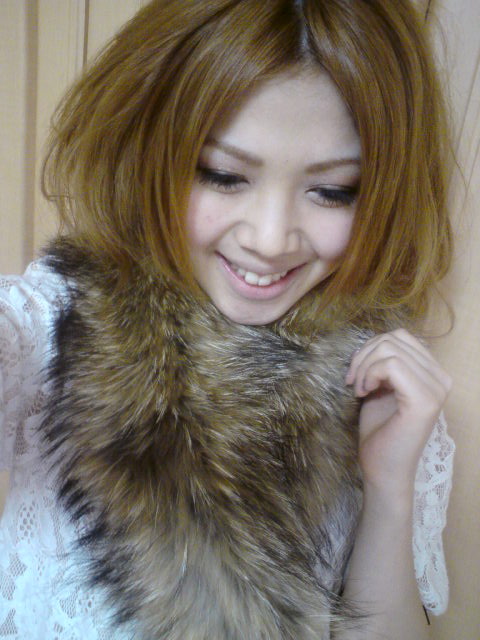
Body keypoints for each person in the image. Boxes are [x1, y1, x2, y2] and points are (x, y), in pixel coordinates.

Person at [0, 0, 455, 638]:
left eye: (332, 191)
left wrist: (388, 486)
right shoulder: (56, 322)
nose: (270, 239)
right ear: (145, 151)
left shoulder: (386, 388)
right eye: (222, 175)